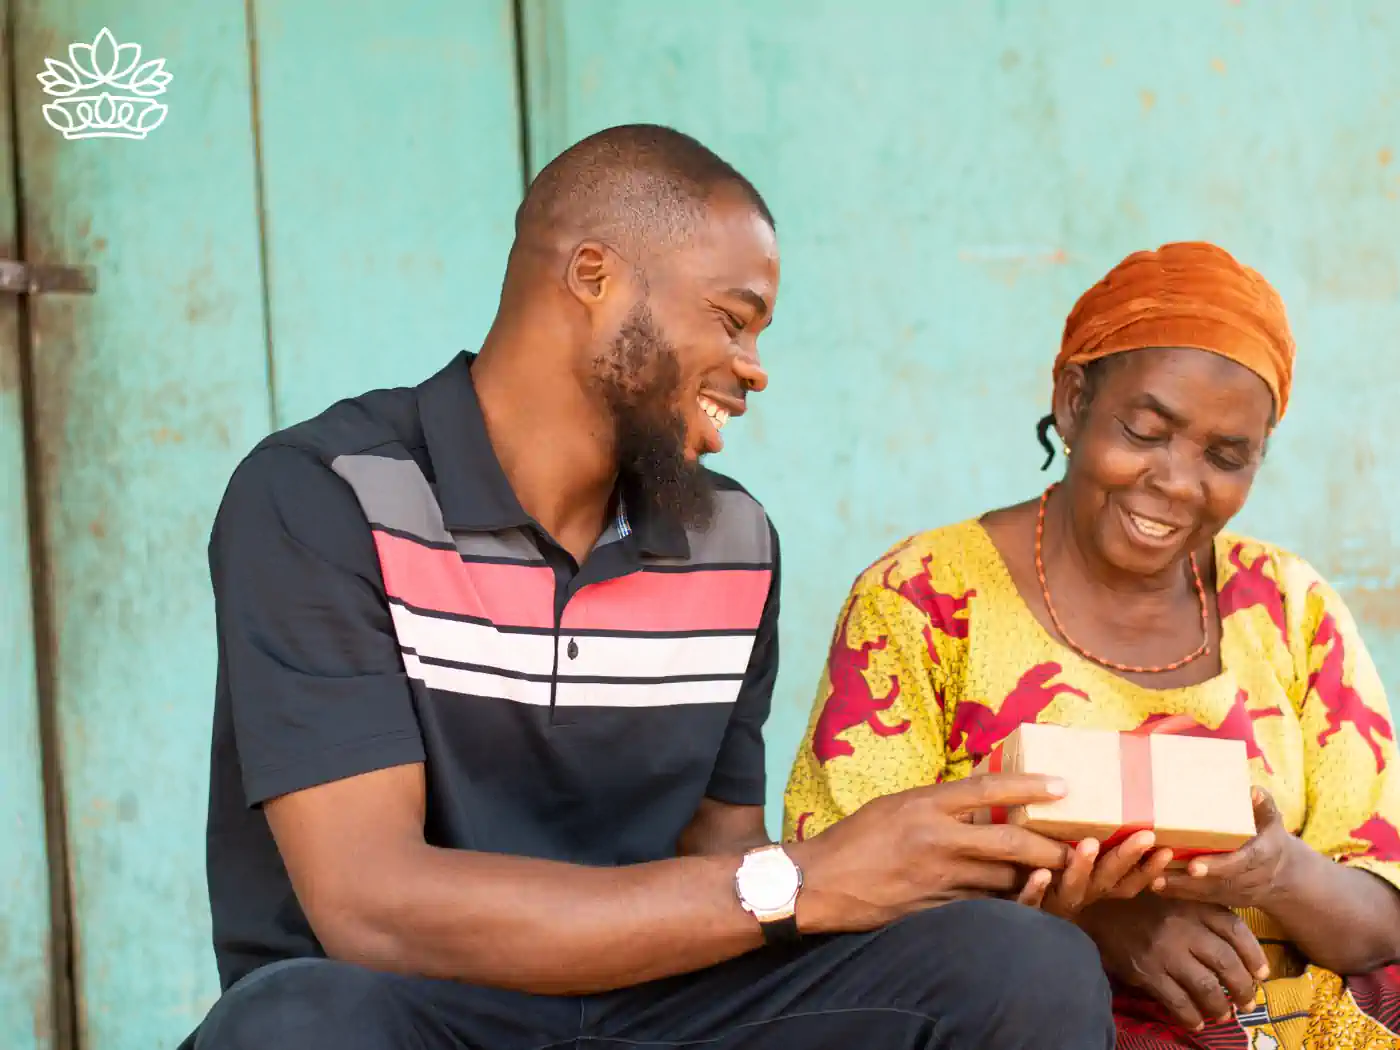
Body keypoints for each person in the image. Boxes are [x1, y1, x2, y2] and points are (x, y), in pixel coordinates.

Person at [179, 123, 1119, 1050]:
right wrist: (810, 877)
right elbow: (372, 908)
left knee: (1021, 966)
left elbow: (722, 866)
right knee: (295, 1027)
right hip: (415, 1009)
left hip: (662, 1010)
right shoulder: (327, 496)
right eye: (732, 317)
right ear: (595, 277)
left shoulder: (733, 540)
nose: (754, 367)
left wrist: (949, 870)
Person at [783, 240, 1400, 1049]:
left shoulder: (1292, 608)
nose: (1178, 482)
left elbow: (1381, 926)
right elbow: (837, 891)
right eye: (1146, 430)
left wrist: (1276, 870)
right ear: (1073, 402)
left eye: (1226, 456)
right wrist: (1097, 923)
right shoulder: (924, 598)